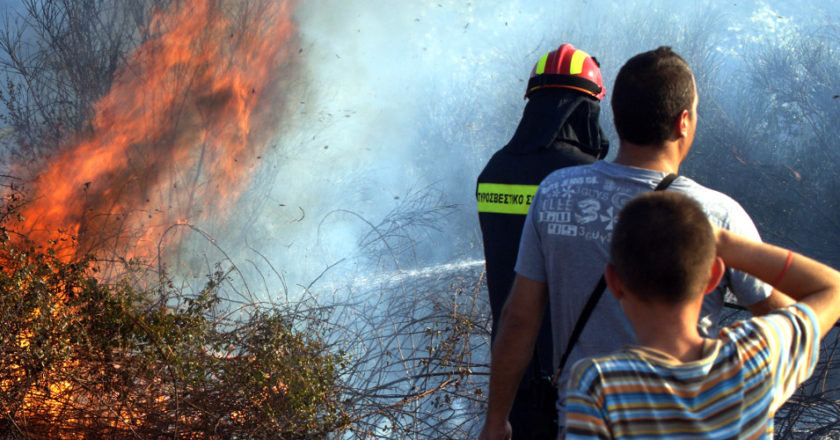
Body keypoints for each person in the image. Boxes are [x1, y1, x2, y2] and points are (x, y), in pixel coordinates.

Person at [479, 46, 794, 440]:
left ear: (616, 117)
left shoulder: (554, 193)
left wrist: (496, 420)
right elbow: (787, 323)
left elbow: (518, 320)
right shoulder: (716, 215)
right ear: (683, 121)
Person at [565, 190, 840, 438]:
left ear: (614, 282)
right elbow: (833, 288)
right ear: (714, 277)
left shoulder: (599, 384)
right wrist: (723, 240)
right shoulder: (757, 357)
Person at [476, 43, 609, 439]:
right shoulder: (589, 180)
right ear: (585, 109)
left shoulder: (493, 171)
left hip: (512, 380)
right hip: (580, 384)